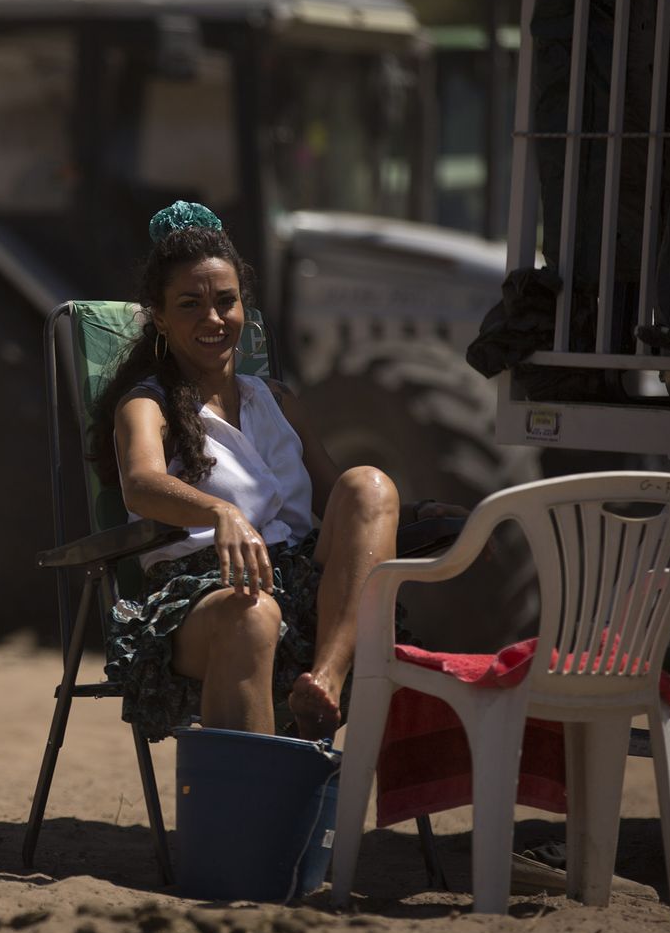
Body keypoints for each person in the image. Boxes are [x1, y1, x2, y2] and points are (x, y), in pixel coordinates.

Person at [92, 201, 459, 743]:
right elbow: (141, 484)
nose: (213, 320)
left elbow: (344, 501)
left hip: (301, 586)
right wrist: (220, 513)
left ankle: (324, 683)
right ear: (160, 317)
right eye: (190, 304)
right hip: (201, 598)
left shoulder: (278, 401)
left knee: (368, 483)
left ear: (245, 308)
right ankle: (249, 817)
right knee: (252, 614)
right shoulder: (148, 405)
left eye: (226, 302)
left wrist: (426, 515)